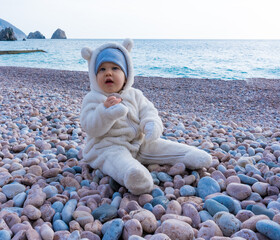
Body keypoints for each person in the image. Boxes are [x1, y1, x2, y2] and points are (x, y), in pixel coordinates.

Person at [80, 39, 212, 195]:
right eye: (102, 69)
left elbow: (149, 111)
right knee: (117, 160)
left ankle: (189, 155)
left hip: (139, 143)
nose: (108, 72)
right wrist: (105, 112)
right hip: (107, 147)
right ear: (94, 75)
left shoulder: (135, 95)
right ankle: (133, 175)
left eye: (115, 68)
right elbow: (90, 127)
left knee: (160, 146)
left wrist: (150, 124)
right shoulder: (93, 99)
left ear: (127, 73)